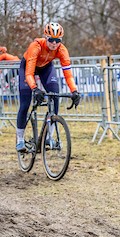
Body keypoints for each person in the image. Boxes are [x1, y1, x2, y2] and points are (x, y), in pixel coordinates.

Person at [15, 22, 80, 152]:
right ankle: (20, 139)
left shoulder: (62, 50)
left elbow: (68, 74)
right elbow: (29, 73)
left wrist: (74, 90)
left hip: (46, 68)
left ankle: (49, 136)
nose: (54, 43)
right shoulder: (36, 47)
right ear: (46, 37)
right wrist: (34, 88)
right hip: (28, 67)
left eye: (58, 40)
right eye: (51, 40)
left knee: (55, 95)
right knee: (25, 103)